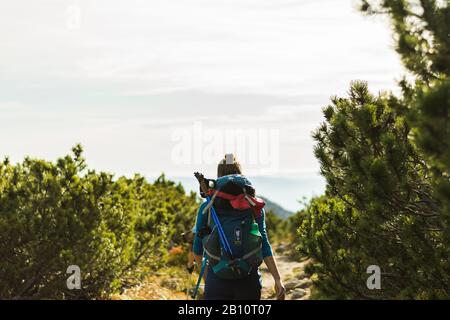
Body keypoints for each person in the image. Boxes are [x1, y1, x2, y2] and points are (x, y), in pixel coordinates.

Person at [193, 155, 286, 300]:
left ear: (218, 177)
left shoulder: (207, 207)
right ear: (240, 174)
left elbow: (197, 250)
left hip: (216, 281)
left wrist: (208, 280)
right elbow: (264, 245)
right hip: (248, 280)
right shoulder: (253, 205)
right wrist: (277, 280)